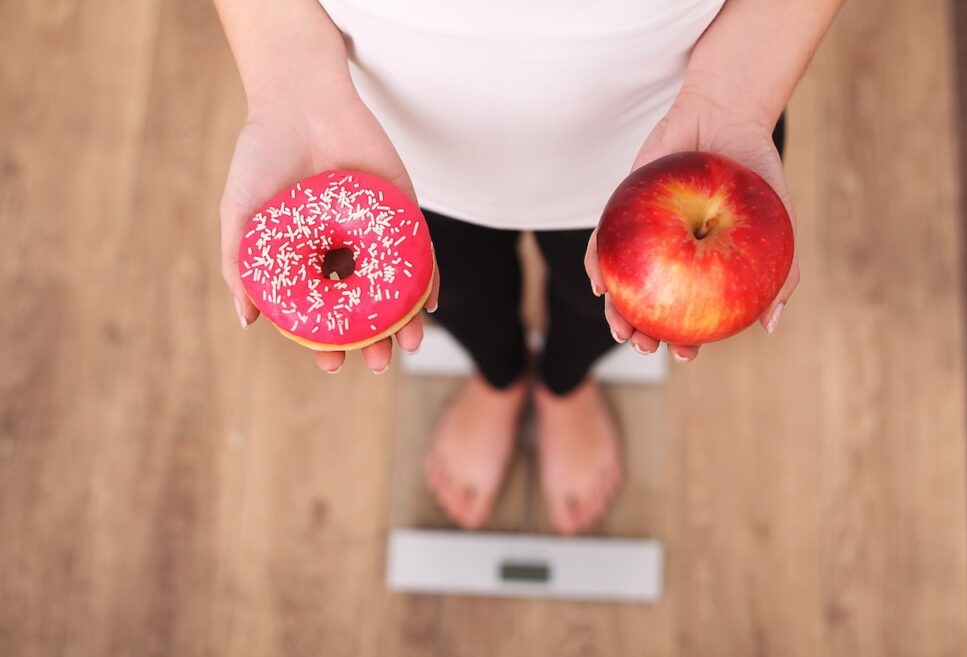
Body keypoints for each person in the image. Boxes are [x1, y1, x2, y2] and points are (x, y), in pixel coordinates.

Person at [215, 0, 842, 534]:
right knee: (455, 292)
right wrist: (286, 78)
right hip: (373, 137)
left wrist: (740, 91)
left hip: (677, 139)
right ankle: (498, 376)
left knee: (598, 301)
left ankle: (566, 384)